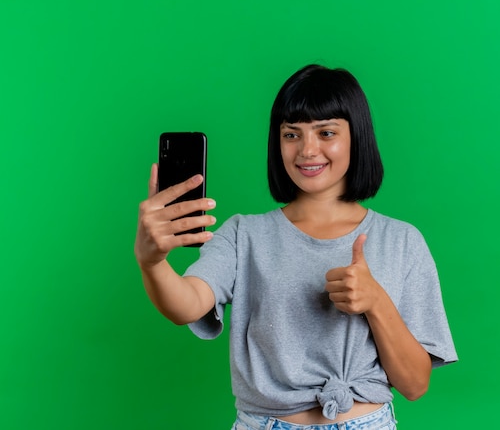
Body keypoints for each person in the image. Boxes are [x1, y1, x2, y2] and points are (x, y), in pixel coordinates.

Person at [135, 64, 458, 430]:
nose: (307, 150)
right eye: (292, 134)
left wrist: (376, 302)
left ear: (357, 137)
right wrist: (152, 262)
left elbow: (415, 385)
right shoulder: (244, 234)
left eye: (326, 132)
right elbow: (188, 304)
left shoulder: (401, 241)